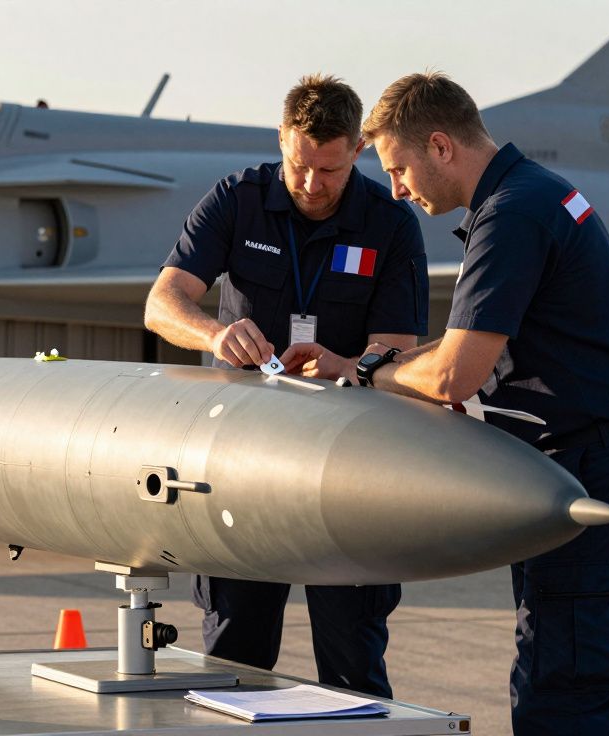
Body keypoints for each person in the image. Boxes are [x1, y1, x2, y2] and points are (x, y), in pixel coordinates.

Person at [291, 71, 609, 735]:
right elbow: (465, 345)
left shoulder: (511, 214)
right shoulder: (531, 194)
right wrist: (366, 364)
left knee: (563, 704)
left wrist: (373, 373)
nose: (396, 190)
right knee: (559, 690)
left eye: (397, 168)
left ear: (439, 146)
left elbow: (455, 377)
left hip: (596, 469)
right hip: (591, 465)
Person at [143, 74, 428, 697]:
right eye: (299, 165)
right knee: (233, 661)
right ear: (281, 140)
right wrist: (215, 336)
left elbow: (401, 353)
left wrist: (346, 363)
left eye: (329, 170)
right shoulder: (236, 199)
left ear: (357, 150)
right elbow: (162, 304)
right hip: (242, 465)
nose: (311, 185)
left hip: (349, 468)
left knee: (353, 663)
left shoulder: (390, 224)